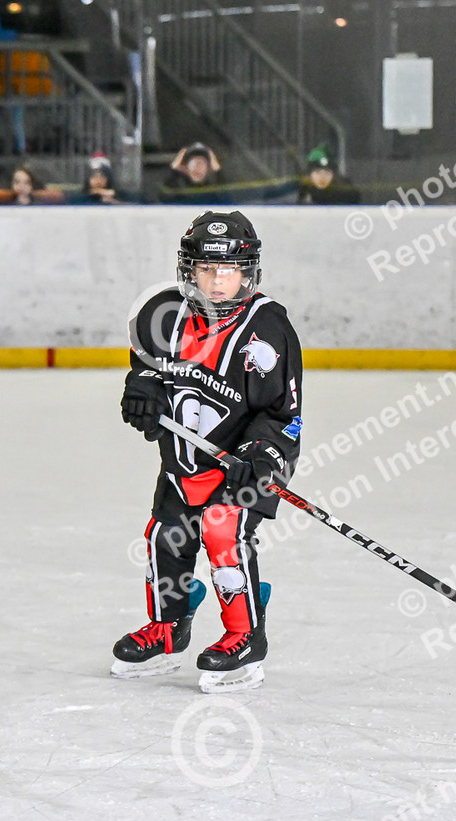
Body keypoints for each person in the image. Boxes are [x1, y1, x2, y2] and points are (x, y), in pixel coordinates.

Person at [113, 211, 303, 693]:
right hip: (184, 461)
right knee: (167, 537)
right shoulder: (166, 314)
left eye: (229, 270)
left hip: (247, 464)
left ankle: (246, 635)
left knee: (222, 532)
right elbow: (147, 368)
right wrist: (142, 391)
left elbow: (283, 414)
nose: (217, 281)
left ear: (248, 272)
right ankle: (168, 626)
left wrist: (260, 456)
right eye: (206, 269)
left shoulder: (267, 328)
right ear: (189, 270)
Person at [0, 164, 64, 205]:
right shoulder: (6, 205)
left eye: (26, 183)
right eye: (17, 182)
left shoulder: (40, 207)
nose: (21, 187)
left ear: (32, 185)